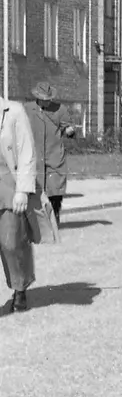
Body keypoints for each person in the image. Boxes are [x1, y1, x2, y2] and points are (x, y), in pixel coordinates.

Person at [0, 97, 37, 314]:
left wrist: (23, 190)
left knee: (11, 242)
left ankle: (20, 286)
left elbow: (26, 152)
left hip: (8, 187)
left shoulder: (14, 111)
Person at [25, 81, 76, 226]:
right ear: (37, 97)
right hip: (34, 158)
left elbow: (68, 127)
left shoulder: (60, 110)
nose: (47, 102)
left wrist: (70, 131)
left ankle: (54, 222)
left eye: (48, 99)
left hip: (54, 158)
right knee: (33, 193)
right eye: (44, 99)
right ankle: (35, 225)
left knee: (55, 193)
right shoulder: (27, 109)